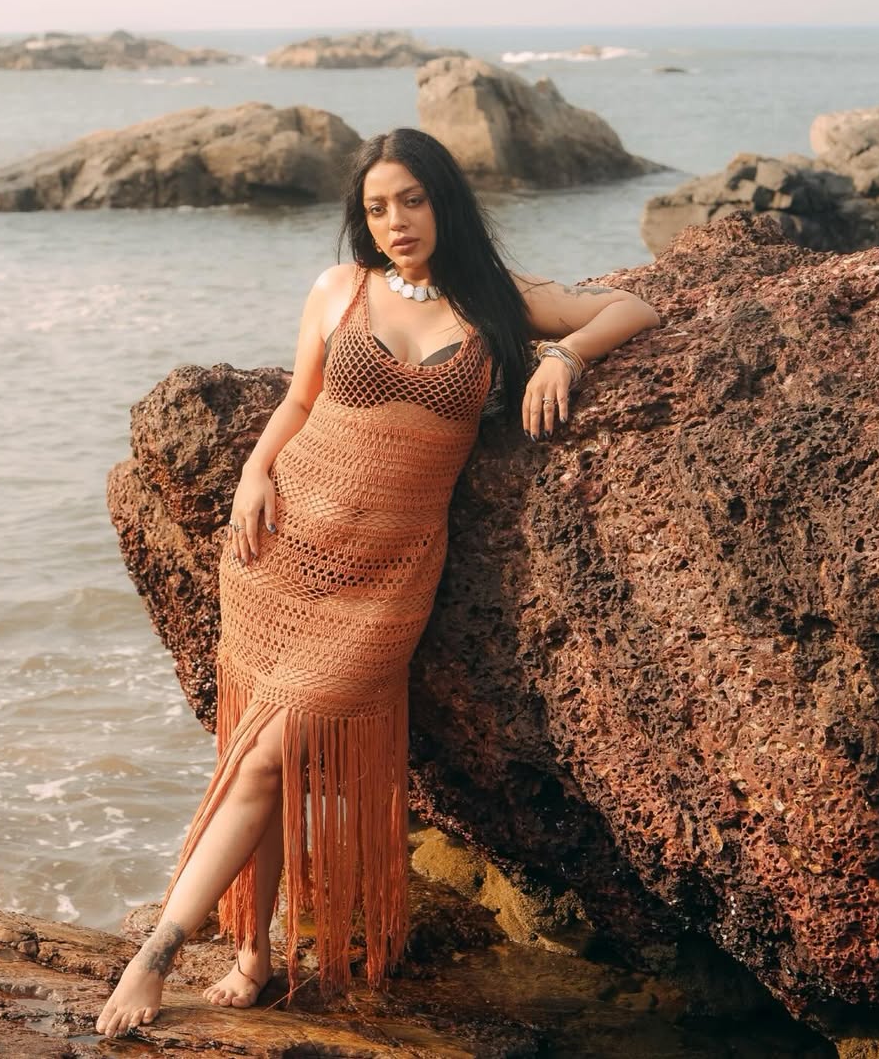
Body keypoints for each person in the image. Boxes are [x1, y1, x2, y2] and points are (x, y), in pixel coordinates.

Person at [96, 127, 661, 1039]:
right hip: (282, 554)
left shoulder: (496, 302)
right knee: (260, 759)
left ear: (444, 200)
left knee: (271, 755)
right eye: (375, 207)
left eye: (411, 200)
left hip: (385, 584)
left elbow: (632, 307)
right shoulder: (339, 289)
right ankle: (249, 951)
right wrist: (252, 473)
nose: (394, 221)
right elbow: (299, 398)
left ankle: (156, 954)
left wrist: (564, 355)